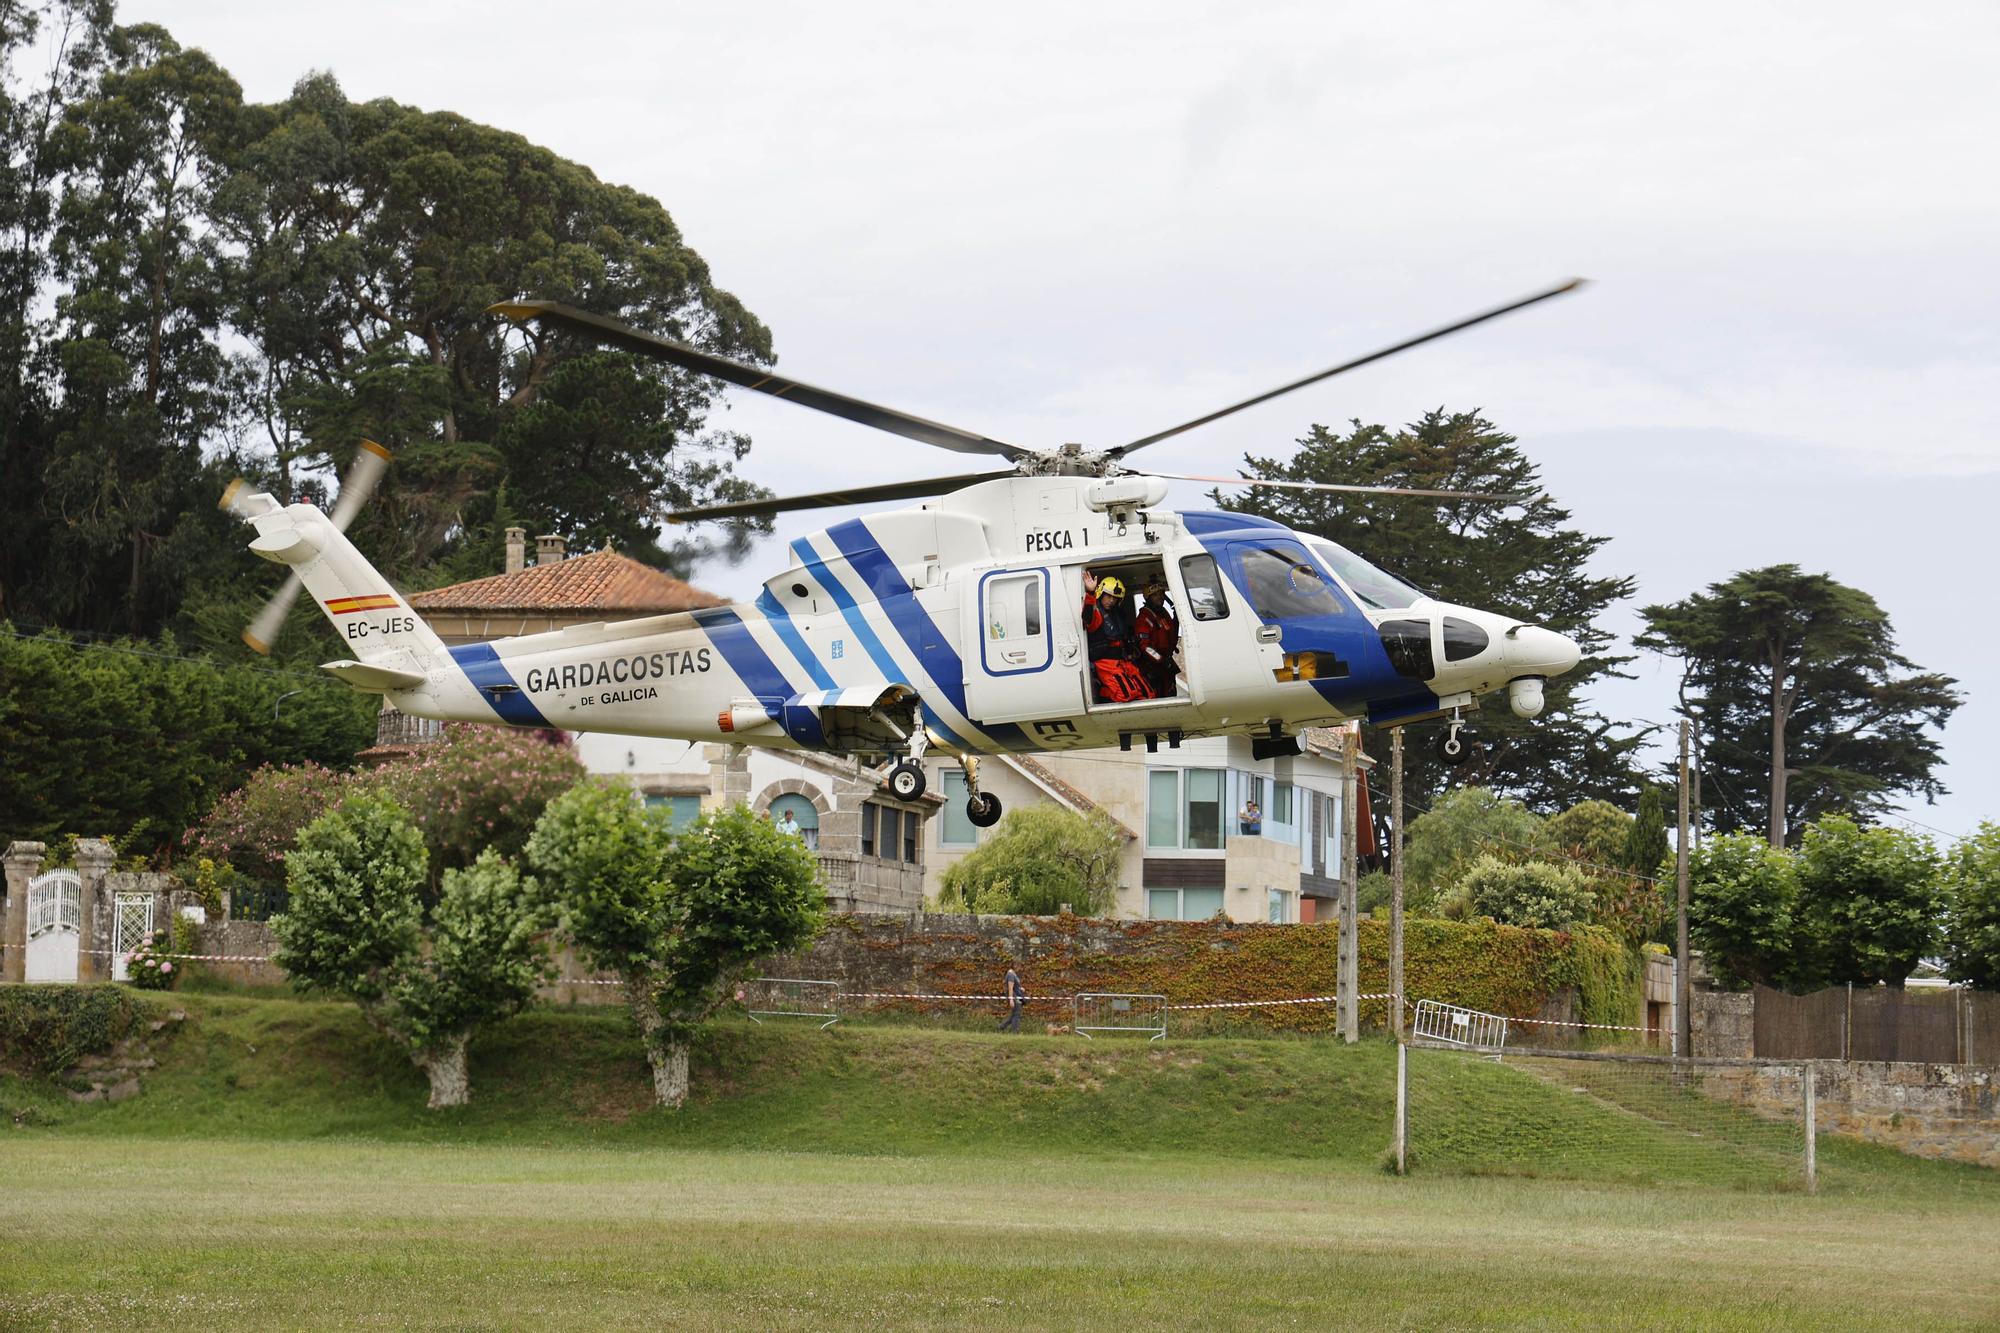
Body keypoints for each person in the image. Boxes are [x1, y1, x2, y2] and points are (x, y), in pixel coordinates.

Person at [1080, 571, 1150, 702]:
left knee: (1147, 692)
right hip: (1105, 663)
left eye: (1115, 598)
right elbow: (1087, 618)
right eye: (1108, 596)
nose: (1111, 600)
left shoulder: (1117, 615)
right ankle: (1102, 695)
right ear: (1101, 594)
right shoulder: (1097, 614)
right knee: (1126, 695)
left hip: (1122, 662)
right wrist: (1090, 593)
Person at [1132, 575, 1180, 698]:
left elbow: (1172, 633)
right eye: (1155, 595)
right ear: (1148, 597)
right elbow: (1145, 647)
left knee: (1171, 695)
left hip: (1166, 665)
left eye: (1161, 593)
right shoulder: (1144, 619)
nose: (1159, 597)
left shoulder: (1163, 613)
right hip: (1153, 668)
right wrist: (1161, 661)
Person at [999, 966, 1027, 1033]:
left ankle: (1001, 1026)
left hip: (1017, 996)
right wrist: (1011, 999)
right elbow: (1010, 988)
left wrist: (1020, 988)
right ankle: (1015, 1031)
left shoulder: (1014, 974)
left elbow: (1015, 987)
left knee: (1014, 1014)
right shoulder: (1010, 974)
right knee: (1016, 1014)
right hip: (1014, 997)